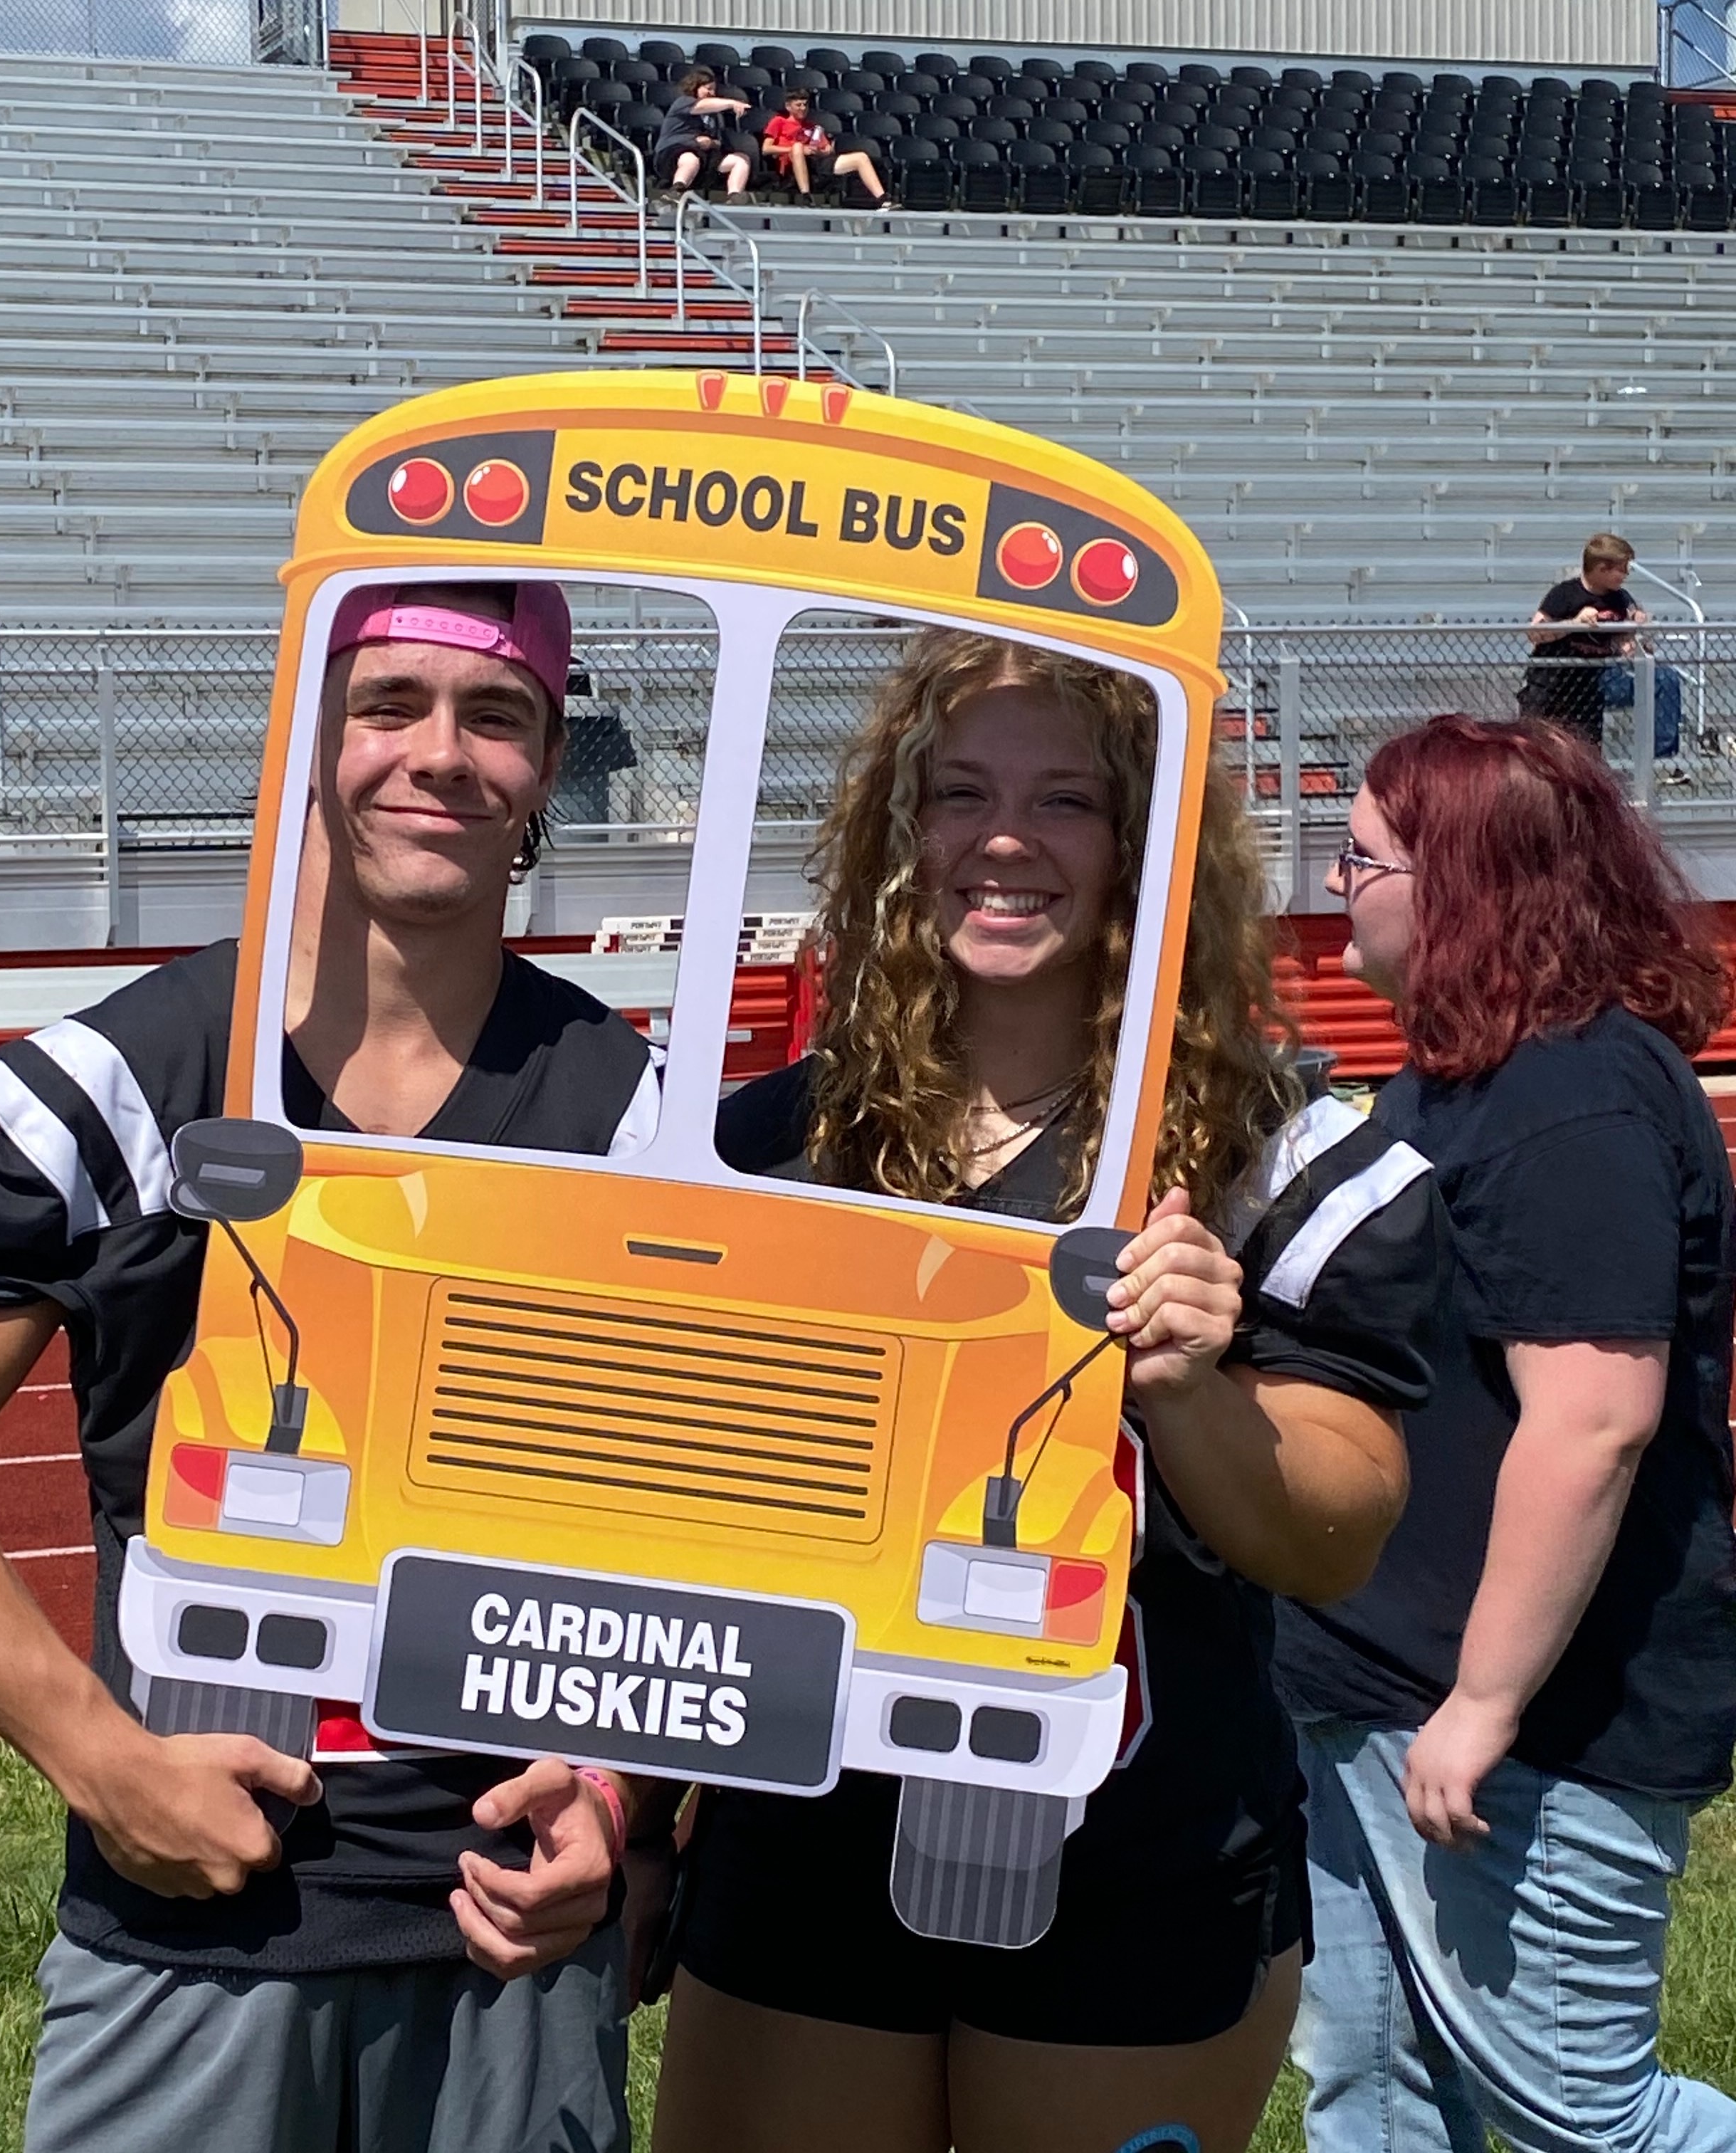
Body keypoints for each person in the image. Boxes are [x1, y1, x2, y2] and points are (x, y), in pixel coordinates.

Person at [0, 580, 666, 2153]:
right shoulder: (124, 1083)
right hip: (201, 1916)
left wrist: (614, 1793)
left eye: (498, 718)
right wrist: (100, 1761)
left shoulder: (627, 1112)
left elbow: (669, 1511)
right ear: (310, 740)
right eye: (389, 705)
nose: (442, 756)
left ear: (550, 767)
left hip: (504, 1922)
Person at [651, 628, 1444, 2153]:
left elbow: (1335, 1534)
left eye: (1067, 801)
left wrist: (1193, 1388)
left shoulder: (1287, 1153)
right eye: (961, 792)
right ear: (903, 825)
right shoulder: (766, 1142)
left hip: (1131, 1838)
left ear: (1143, 841)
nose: (1005, 839)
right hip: (808, 1827)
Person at [1280, 713, 1736, 2153]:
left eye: (1362, 859)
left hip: (1528, 1716)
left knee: (1584, 2117)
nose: (1338, 884)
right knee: (1376, 2083)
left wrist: (1481, 1705)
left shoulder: (1572, 1097)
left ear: (1462, 886)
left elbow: (1593, 1422)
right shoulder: (1451, 1081)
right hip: (1363, 1678)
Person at [1520, 533, 1678, 758]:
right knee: (1541, 753)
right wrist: (1575, 623)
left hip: (1598, 682)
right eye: (1621, 569)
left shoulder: (1620, 598)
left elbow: (1628, 637)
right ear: (1602, 569)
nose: (1625, 575)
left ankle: (1662, 759)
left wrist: (1636, 636)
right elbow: (1535, 633)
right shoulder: (1565, 594)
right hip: (1555, 682)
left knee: (1665, 678)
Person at [762, 87, 890, 209]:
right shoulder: (779, 122)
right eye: (799, 105)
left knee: (861, 157)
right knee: (798, 147)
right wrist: (797, 149)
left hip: (816, 162)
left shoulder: (814, 127)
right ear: (788, 106)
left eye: (805, 105)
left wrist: (824, 151)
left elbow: (827, 149)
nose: (803, 108)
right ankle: (805, 195)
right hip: (791, 163)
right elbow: (766, 149)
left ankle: (882, 199)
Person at [652, 66, 752, 207]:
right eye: (708, 88)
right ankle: (676, 191)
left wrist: (711, 143)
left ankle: (735, 196)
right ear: (695, 87)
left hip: (706, 159)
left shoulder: (714, 117)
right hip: (673, 154)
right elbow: (702, 106)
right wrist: (732, 103)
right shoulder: (683, 102)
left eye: (714, 89)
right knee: (690, 158)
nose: (712, 93)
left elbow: (720, 143)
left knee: (741, 160)